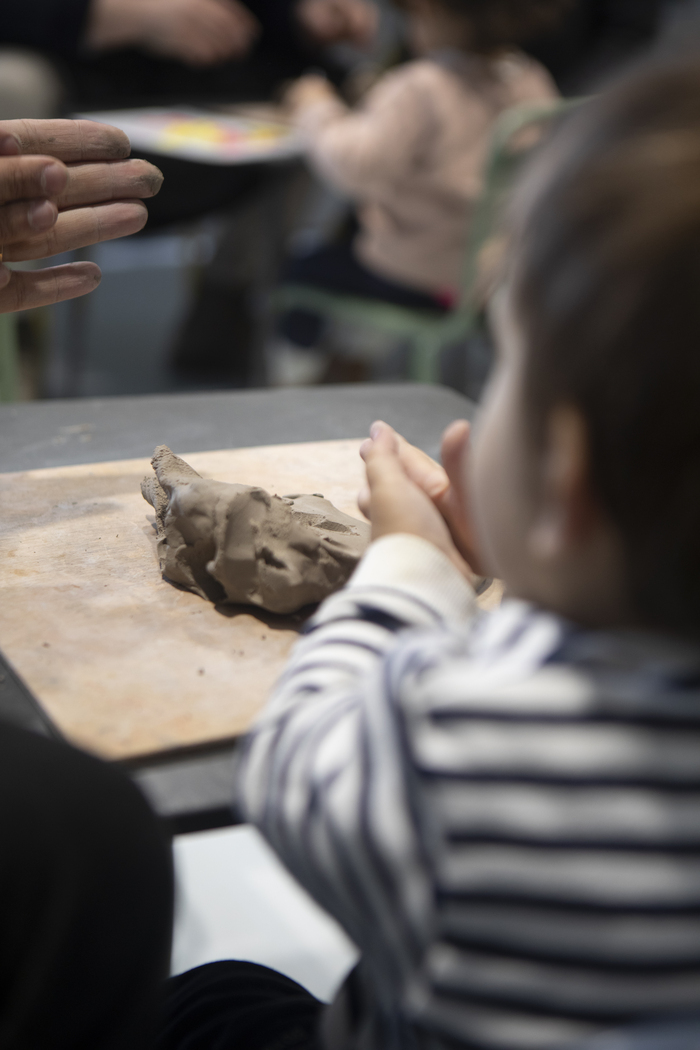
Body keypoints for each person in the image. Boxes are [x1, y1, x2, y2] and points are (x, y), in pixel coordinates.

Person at [157, 53, 700, 1048]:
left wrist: (411, 569)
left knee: (205, 999)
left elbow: (291, 768)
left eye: (505, 373)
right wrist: (551, 567)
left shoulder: (471, 750)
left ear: (564, 478)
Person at [271, 0, 566, 381]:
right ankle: (351, 363)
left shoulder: (421, 86)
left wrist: (315, 106)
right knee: (358, 246)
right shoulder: (531, 78)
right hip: (487, 277)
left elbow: (353, 165)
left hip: (416, 276)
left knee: (301, 267)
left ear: (430, 12)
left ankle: (292, 387)